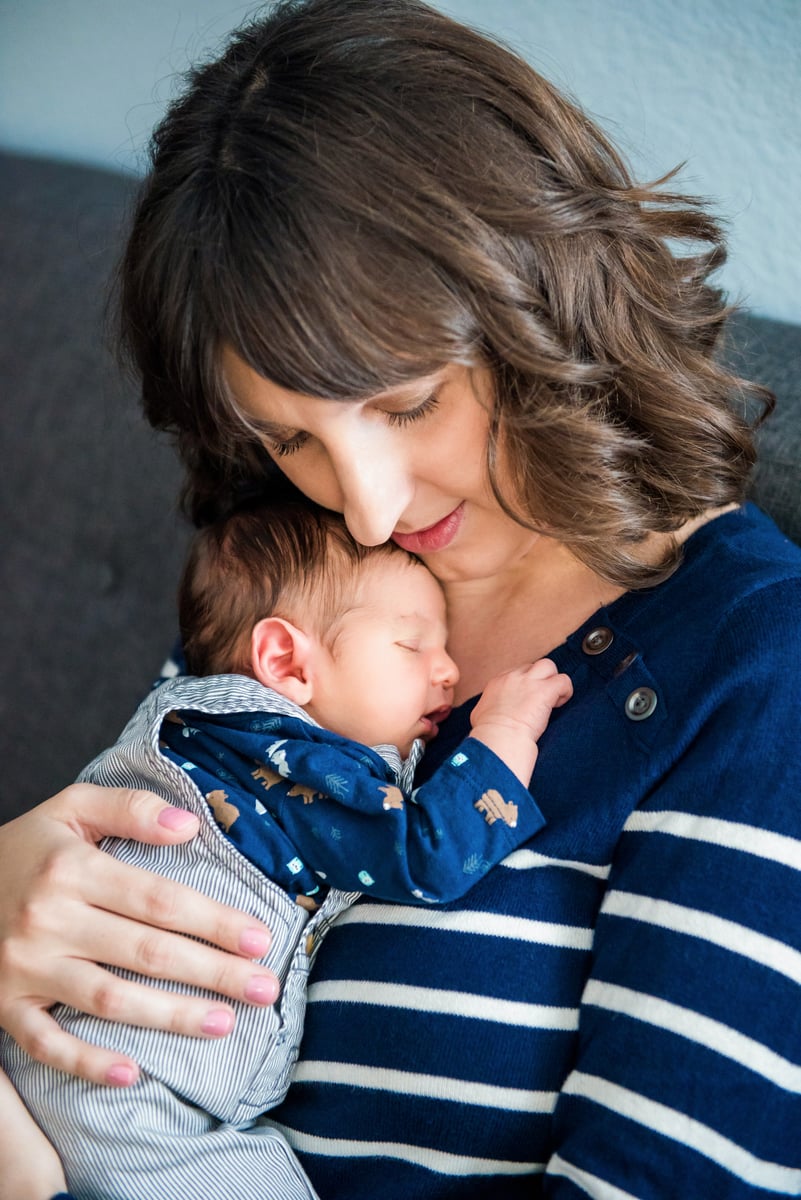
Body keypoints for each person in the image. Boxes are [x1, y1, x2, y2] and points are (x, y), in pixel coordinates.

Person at [1, 0, 800, 1196]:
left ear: (539, 301)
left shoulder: (753, 667)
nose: (368, 510)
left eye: (409, 402)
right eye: (292, 439)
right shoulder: (308, 573)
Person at [1, 496, 571, 1200]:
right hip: (130, 1094)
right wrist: (505, 734)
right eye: (411, 645)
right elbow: (428, 852)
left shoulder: (195, 728)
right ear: (285, 662)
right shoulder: (286, 757)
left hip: (72, 1061)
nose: (448, 669)